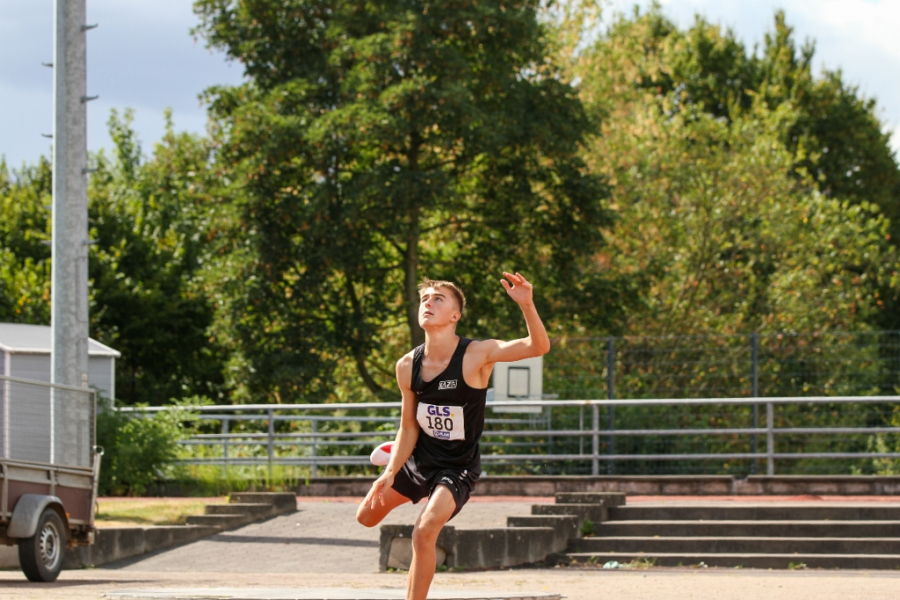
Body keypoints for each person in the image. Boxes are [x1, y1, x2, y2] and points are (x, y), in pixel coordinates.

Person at [356, 272, 551, 600]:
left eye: (438, 299)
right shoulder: (407, 365)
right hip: (419, 457)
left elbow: (539, 346)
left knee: (423, 532)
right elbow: (409, 425)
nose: (428, 303)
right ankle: (394, 454)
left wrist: (527, 304)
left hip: (457, 467)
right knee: (365, 517)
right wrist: (390, 472)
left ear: (454, 316)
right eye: (424, 299)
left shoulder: (477, 354)